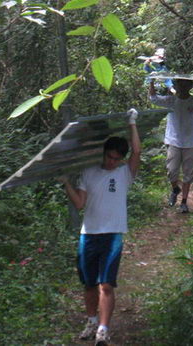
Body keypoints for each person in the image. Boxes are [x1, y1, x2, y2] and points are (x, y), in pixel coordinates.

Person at [59, 109, 140, 346]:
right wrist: (66, 183)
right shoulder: (89, 172)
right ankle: (92, 320)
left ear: (121, 159)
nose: (111, 161)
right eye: (109, 157)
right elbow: (80, 203)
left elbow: (137, 151)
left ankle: (103, 329)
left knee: (106, 283)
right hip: (89, 234)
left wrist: (132, 123)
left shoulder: (125, 173)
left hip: (112, 234)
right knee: (89, 284)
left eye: (116, 158)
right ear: (104, 154)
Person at [149, 78, 193, 213]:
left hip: (191, 142)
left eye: (185, 84)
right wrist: (151, 82)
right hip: (173, 141)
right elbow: (153, 98)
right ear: (175, 85)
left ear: (190, 86)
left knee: (188, 174)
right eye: (179, 84)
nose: (182, 87)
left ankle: (184, 201)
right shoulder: (170, 100)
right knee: (172, 171)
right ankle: (175, 189)